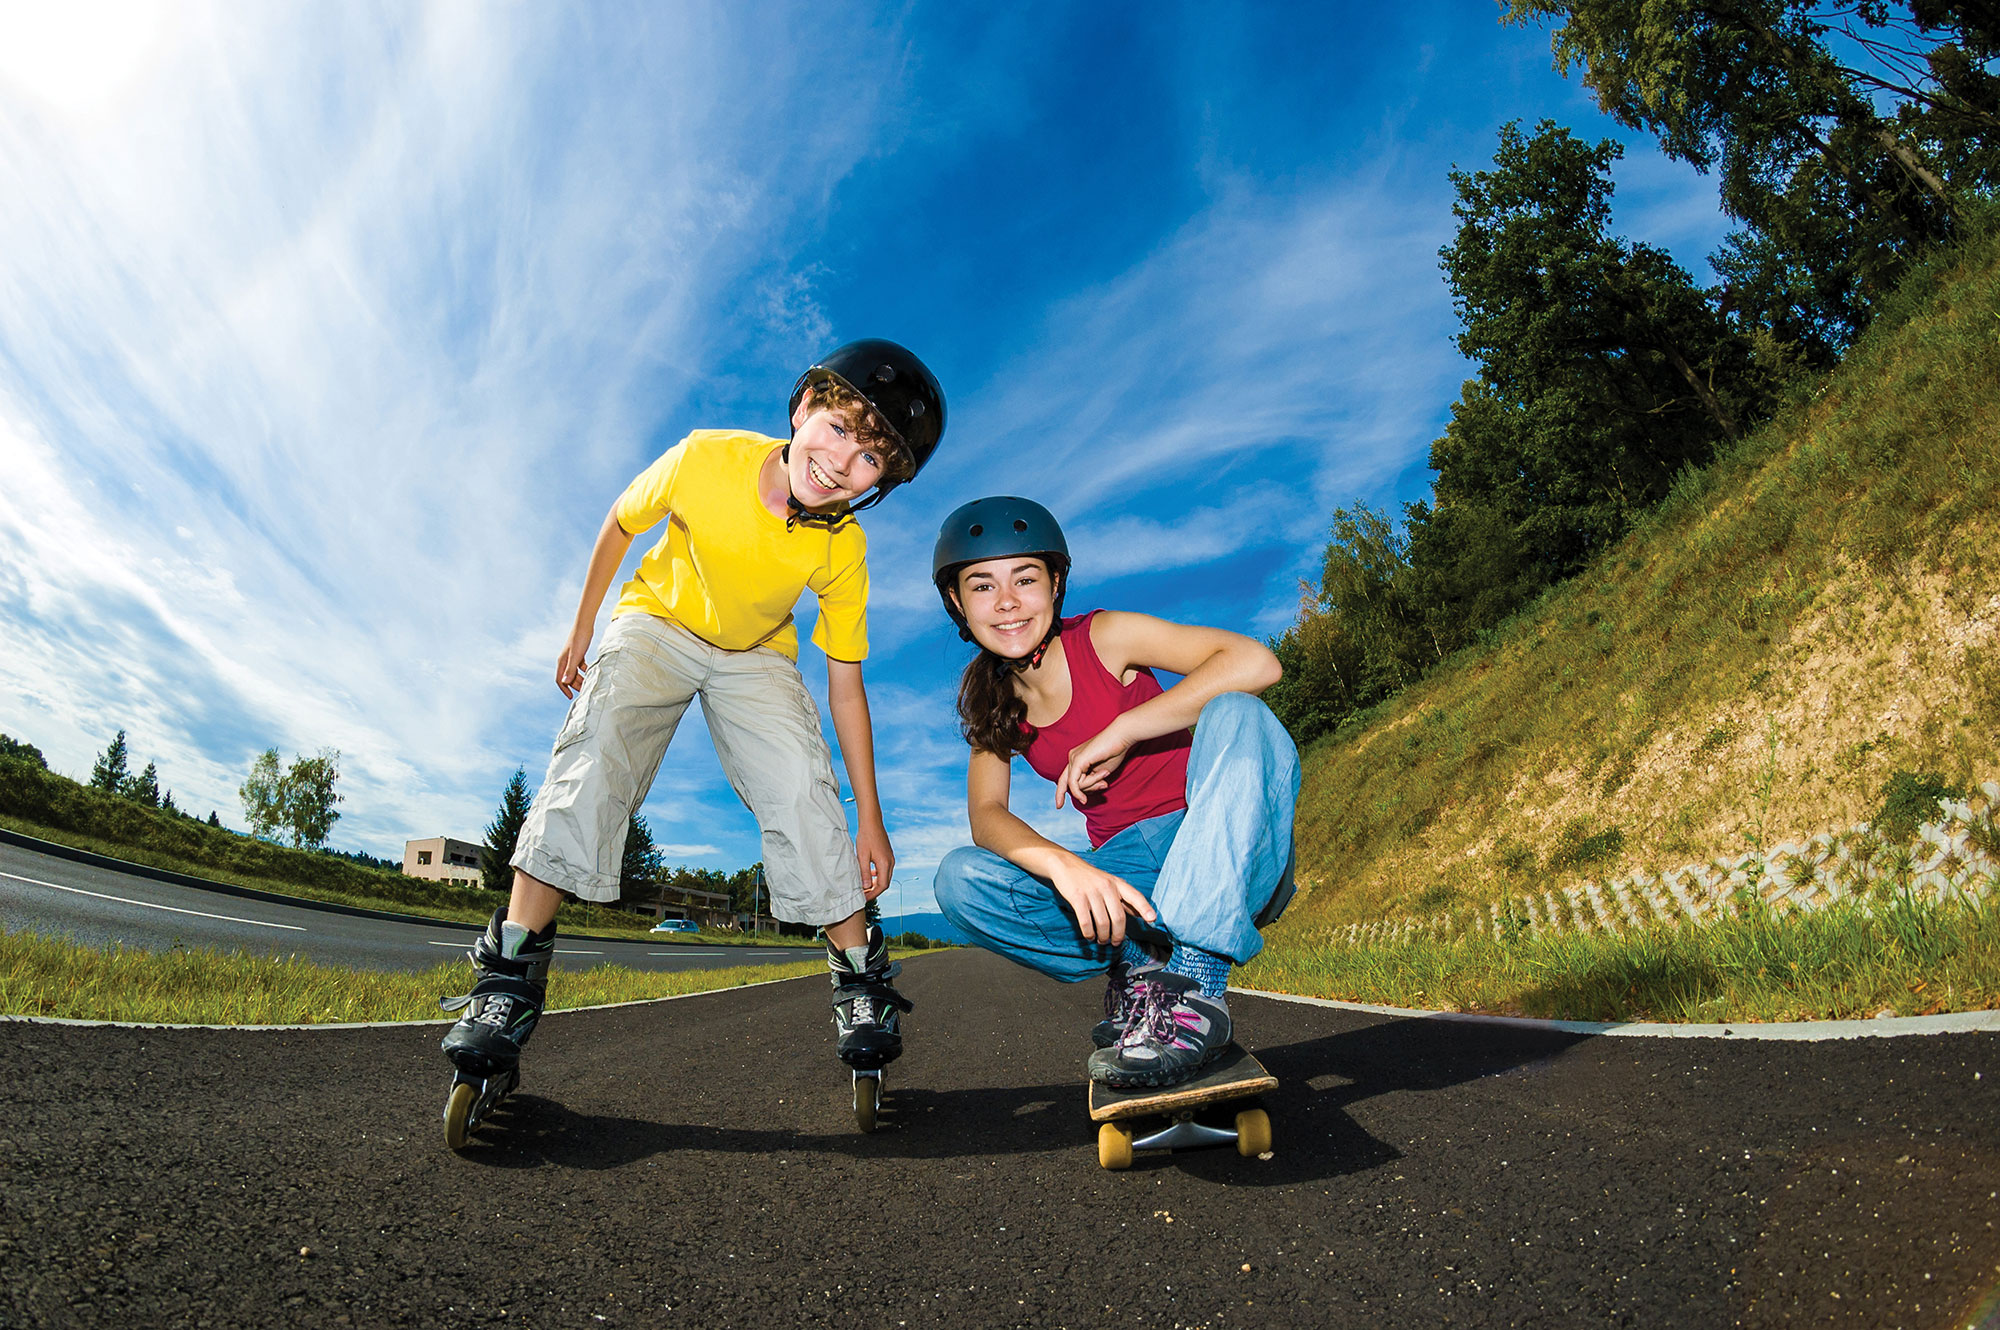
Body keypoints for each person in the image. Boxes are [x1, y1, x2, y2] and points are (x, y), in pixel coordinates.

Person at [442, 339, 946, 1086]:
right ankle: (507, 972)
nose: (843, 462)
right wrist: (583, 626)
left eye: (871, 458)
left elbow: (846, 686)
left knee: (799, 786)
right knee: (598, 748)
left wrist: (870, 817)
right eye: (839, 428)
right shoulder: (706, 458)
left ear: (881, 483)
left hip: (755, 655)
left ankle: (860, 976)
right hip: (660, 623)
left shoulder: (845, 547)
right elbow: (621, 521)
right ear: (804, 408)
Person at [929, 496, 1299, 1089]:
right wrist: (1066, 869)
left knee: (1238, 712)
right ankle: (1143, 973)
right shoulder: (994, 702)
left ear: (1055, 584)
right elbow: (986, 814)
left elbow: (1255, 661)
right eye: (981, 586)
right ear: (957, 602)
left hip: (1220, 845)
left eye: (1025, 579)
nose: (1005, 602)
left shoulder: (1105, 637)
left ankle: (1196, 989)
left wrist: (1127, 727)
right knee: (958, 878)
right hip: (1130, 882)